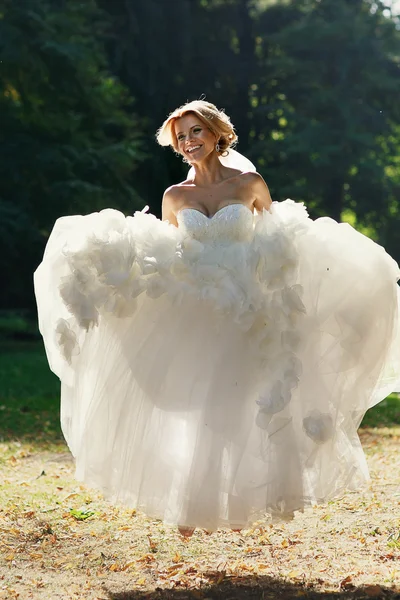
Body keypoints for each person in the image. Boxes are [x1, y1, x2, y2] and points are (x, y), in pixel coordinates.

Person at [34, 100, 400, 537]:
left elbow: (277, 237)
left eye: (196, 132)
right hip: (195, 309)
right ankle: (191, 504)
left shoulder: (249, 184)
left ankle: (243, 500)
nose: (189, 142)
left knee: (241, 403)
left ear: (215, 133)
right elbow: (167, 249)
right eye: (181, 136)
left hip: (246, 308)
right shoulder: (176, 196)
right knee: (196, 402)